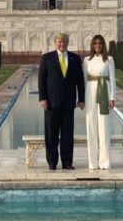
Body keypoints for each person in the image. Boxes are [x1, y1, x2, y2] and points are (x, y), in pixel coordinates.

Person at [38, 32, 85, 170]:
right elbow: (41, 80)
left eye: (64, 41)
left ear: (68, 43)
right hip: (51, 102)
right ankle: (52, 162)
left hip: (69, 103)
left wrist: (81, 99)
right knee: (51, 134)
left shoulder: (75, 58)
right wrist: (42, 98)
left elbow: (80, 81)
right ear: (55, 43)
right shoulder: (47, 58)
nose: (62, 44)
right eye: (59, 41)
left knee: (67, 134)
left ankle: (67, 162)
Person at [82, 34, 116, 170]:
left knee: (104, 128)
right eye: (95, 43)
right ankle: (93, 162)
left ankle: (104, 162)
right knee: (91, 127)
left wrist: (112, 97)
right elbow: (84, 80)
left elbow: (112, 79)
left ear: (103, 45)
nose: (97, 46)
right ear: (92, 45)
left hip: (104, 91)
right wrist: (82, 99)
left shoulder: (109, 59)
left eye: (100, 43)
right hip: (90, 92)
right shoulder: (86, 60)